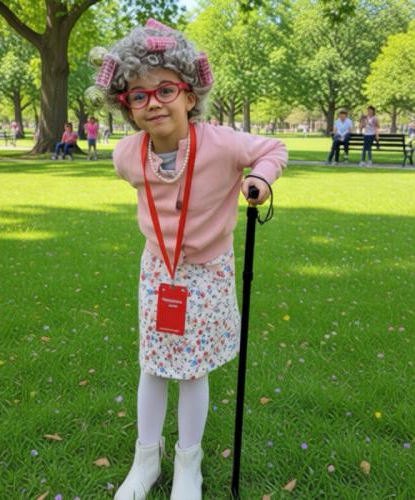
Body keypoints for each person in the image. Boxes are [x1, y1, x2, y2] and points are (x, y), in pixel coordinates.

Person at [91, 18, 287, 500]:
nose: (153, 103)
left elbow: (273, 147)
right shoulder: (126, 156)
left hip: (208, 270)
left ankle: (188, 464)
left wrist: (261, 177)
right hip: (158, 271)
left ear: (189, 94)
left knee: (194, 368)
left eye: (165, 90)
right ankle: (146, 459)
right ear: (126, 105)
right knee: (153, 364)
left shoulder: (222, 143)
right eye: (139, 95)